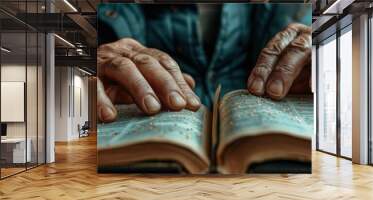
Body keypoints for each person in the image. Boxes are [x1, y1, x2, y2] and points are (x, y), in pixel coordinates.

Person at [97, 3, 312, 122]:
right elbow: (105, 41)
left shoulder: (273, 10)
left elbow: (304, 30)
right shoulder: (121, 9)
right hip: (166, 151)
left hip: (254, 142)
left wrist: (321, 49)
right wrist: (95, 61)